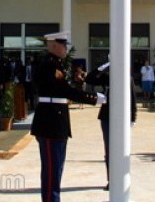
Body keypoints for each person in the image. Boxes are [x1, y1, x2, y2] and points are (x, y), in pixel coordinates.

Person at [30, 31, 106, 202]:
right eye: (63, 45)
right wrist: (93, 98)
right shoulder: (49, 65)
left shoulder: (56, 65)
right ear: (53, 45)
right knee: (52, 171)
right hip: (50, 122)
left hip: (56, 121)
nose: (66, 48)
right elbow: (65, 91)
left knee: (56, 169)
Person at [85, 60, 137, 191]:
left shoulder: (127, 78)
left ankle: (121, 179)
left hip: (122, 118)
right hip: (107, 117)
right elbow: (89, 78)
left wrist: (133, 118)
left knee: (121, 149)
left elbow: (132, 98)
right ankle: (111, 180)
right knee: (109, 151)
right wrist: (106, 65)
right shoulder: (108, 77)